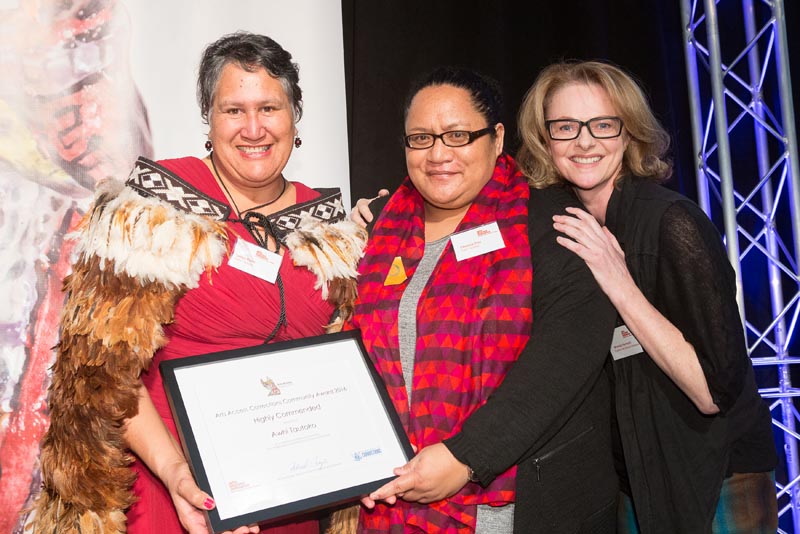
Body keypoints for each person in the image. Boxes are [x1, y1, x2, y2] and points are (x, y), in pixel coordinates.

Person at [29, 32, 366, 534]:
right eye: (233, 110)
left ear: (295, 115)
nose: (253, 128)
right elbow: (99, 369)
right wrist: (177, 473)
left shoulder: (332, 226)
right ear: (209, 118)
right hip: (171, 482)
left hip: (292, 488)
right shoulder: (152, 208)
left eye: (269, 108)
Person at [350, 66, 619, 533]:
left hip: (512, 508)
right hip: (390, 499)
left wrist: (466, 456)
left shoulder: (551, 224)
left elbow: (565, 361)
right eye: (421, 138)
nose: (438, 154)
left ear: (496, 139)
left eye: (458, 136)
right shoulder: (380, 229)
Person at [531, 60, 778, 533]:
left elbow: (711, 394)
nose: (584, 142)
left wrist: (620, 282)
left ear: (629, 133)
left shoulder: (673, 222)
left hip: (717, 477)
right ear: (546, 140)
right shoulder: (565, 224)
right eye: (565, 127)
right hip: (635, 478)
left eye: (603, 125)